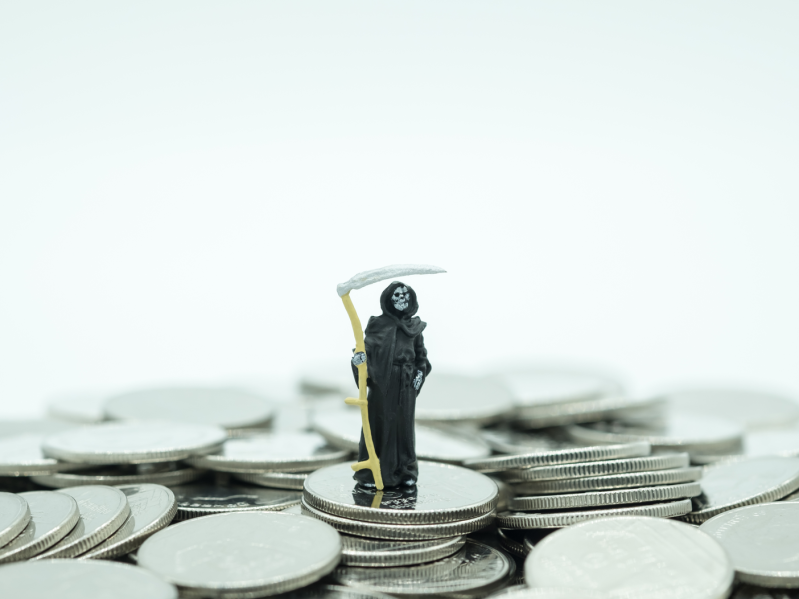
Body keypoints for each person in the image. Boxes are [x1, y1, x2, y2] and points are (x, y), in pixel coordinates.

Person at [350, 280, 431, 488]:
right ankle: (370, 472)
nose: (401, 300)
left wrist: (419, 375)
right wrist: (359, 360)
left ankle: (405, 470)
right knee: (379, 424)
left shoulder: (415, 328)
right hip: (382, 384)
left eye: (405, 296)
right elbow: (365, 351)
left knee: (404, 429)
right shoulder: (378, 325)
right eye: (397, 296)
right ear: (388, 300)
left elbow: (421, 357)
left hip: (406, 385)